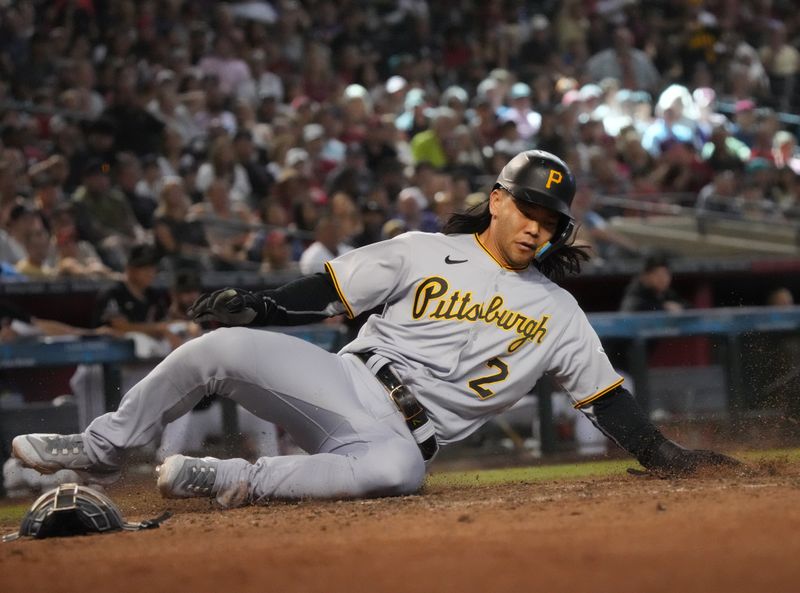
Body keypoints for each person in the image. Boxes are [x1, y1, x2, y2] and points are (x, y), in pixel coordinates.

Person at [11, 150, 740, 507]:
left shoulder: (559, 312)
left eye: (550, 222)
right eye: (526, 209)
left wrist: (666, 454)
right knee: (215, 348)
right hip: (342, 378)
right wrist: (260, 306)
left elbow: (606, 400)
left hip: (397, 438)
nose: (535, 226)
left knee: (400, 474)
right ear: (496, 200)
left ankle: (231, 478)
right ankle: (103, 447)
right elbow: (329, 290)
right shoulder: (424, 249)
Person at [619, 254, 686, 313]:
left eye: (666, 274)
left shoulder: (666, 293)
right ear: (645, 276)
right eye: (658, 275)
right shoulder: (635, 293)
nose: (663, 279)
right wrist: (664, 308)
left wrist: (680, 307)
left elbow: (687, 307)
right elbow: (634, 309)